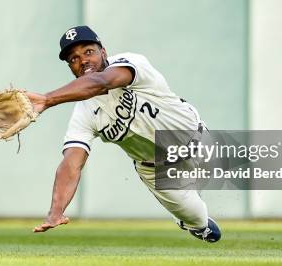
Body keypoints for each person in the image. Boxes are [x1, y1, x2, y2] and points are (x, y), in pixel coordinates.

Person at [26, 26, 221, 242]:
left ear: (104, 52)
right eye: (73, 58)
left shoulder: (132, 63)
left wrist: (47, 99)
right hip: (157, 170)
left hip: (198, 141)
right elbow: (71, 163)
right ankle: (193, 223)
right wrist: (56, 211)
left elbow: (102, 83)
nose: (82, 61)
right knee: (202, 224)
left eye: (88, 51)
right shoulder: (83, 113)